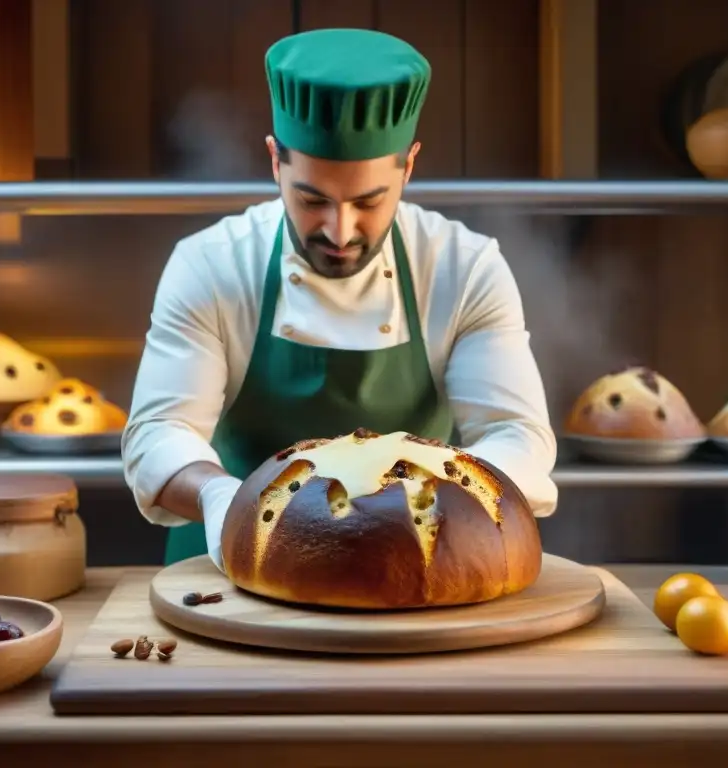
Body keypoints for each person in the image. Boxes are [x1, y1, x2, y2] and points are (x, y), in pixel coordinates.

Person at [122, 28, 558, 569]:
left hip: (413, 563)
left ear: (409, 166)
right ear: (275, 162)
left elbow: (514, 432)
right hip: (228, 567)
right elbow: (161, 432)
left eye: (369, 201)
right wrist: (220, 499)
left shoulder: (463, 269)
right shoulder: (211, 265)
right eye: (312, 199)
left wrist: (429, 512)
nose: (339, 230)